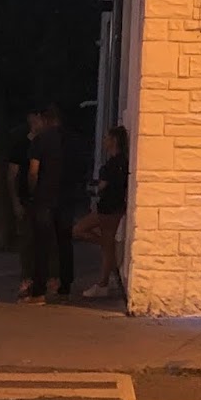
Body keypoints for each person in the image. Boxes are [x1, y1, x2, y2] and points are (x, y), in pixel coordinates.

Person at [25, 104, 73, 303]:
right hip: (67, 196)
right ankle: (65, 288)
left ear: (45, 120)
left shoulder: (41, 140)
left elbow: (34, 170)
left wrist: (32, 190)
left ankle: (39, 291)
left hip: (45, 196)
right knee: (65, 243)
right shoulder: (72, 140)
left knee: (42, 244)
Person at [74, 125, 129, 299]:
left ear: (113, 141)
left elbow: (102, 188)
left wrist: (92, 188)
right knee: (107, 243)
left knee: (80, 230)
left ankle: (103, 283)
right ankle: (106, 275)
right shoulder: (123, 162)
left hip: (107, 208)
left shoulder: (111, 164)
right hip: (116, 207)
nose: (104, 141)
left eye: (106, 138)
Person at [10, 116, 37, 299]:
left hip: (40, 201)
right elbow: (12, 174)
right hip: (27, 199)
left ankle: (38, 280)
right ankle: (27, 279)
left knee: (40, 241)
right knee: (27, 242)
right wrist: (16, 201)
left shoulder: (46, 143)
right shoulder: (21, 145)